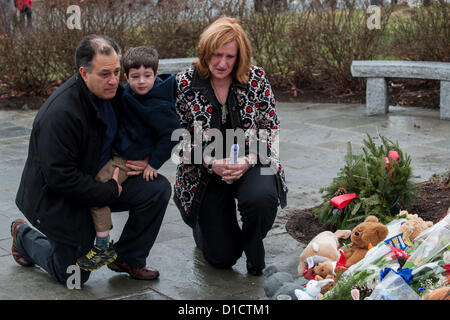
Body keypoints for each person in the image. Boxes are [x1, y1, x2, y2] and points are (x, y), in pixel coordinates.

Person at [12, 35, 171, 286]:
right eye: (105, 74)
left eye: (117, 72)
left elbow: (150, 123)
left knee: (157, 188)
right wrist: (106, 191)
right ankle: (23, 236)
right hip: (58, 197)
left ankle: (128, 257)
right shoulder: (60, 114)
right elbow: (60, 178)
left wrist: (148, 158)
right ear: (84, 73)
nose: (113, 80)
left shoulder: (116, 95)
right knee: (74, 275)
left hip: (102, 180)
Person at [173, 17, 288, 276]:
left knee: (261, 201)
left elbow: (271, 128)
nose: (222, 63)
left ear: (240, 57)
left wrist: (247, 160)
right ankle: (205, 226)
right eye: (216, 55)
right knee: (221, 257)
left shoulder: (256, 78)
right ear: (205, 52)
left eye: (230, 56)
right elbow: (177, 139)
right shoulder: (184, 82)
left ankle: (253, 245)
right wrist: (210, 162)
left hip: (251, 161)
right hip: (204, 172)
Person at [75, 45, 180, 271]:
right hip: (115, 152)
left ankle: (102, 245)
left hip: (124, 160)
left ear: (155, 73)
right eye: (135, 76)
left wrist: (152, 162)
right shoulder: (127, 93)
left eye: (147, 76)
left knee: (97, 190)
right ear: (126, 77)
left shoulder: (158, 105)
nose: (141, 81)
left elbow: (172, 135)